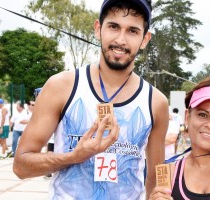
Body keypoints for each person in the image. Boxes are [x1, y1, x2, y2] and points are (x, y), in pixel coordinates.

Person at [13, 0, 169, 199]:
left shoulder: (156, 102)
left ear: (145, 39)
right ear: (98, 29)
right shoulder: (61, 86)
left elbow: (155, 180)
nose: (121, 40)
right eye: (113, 27)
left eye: (132, 31)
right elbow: (21, 166)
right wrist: (74, 157)